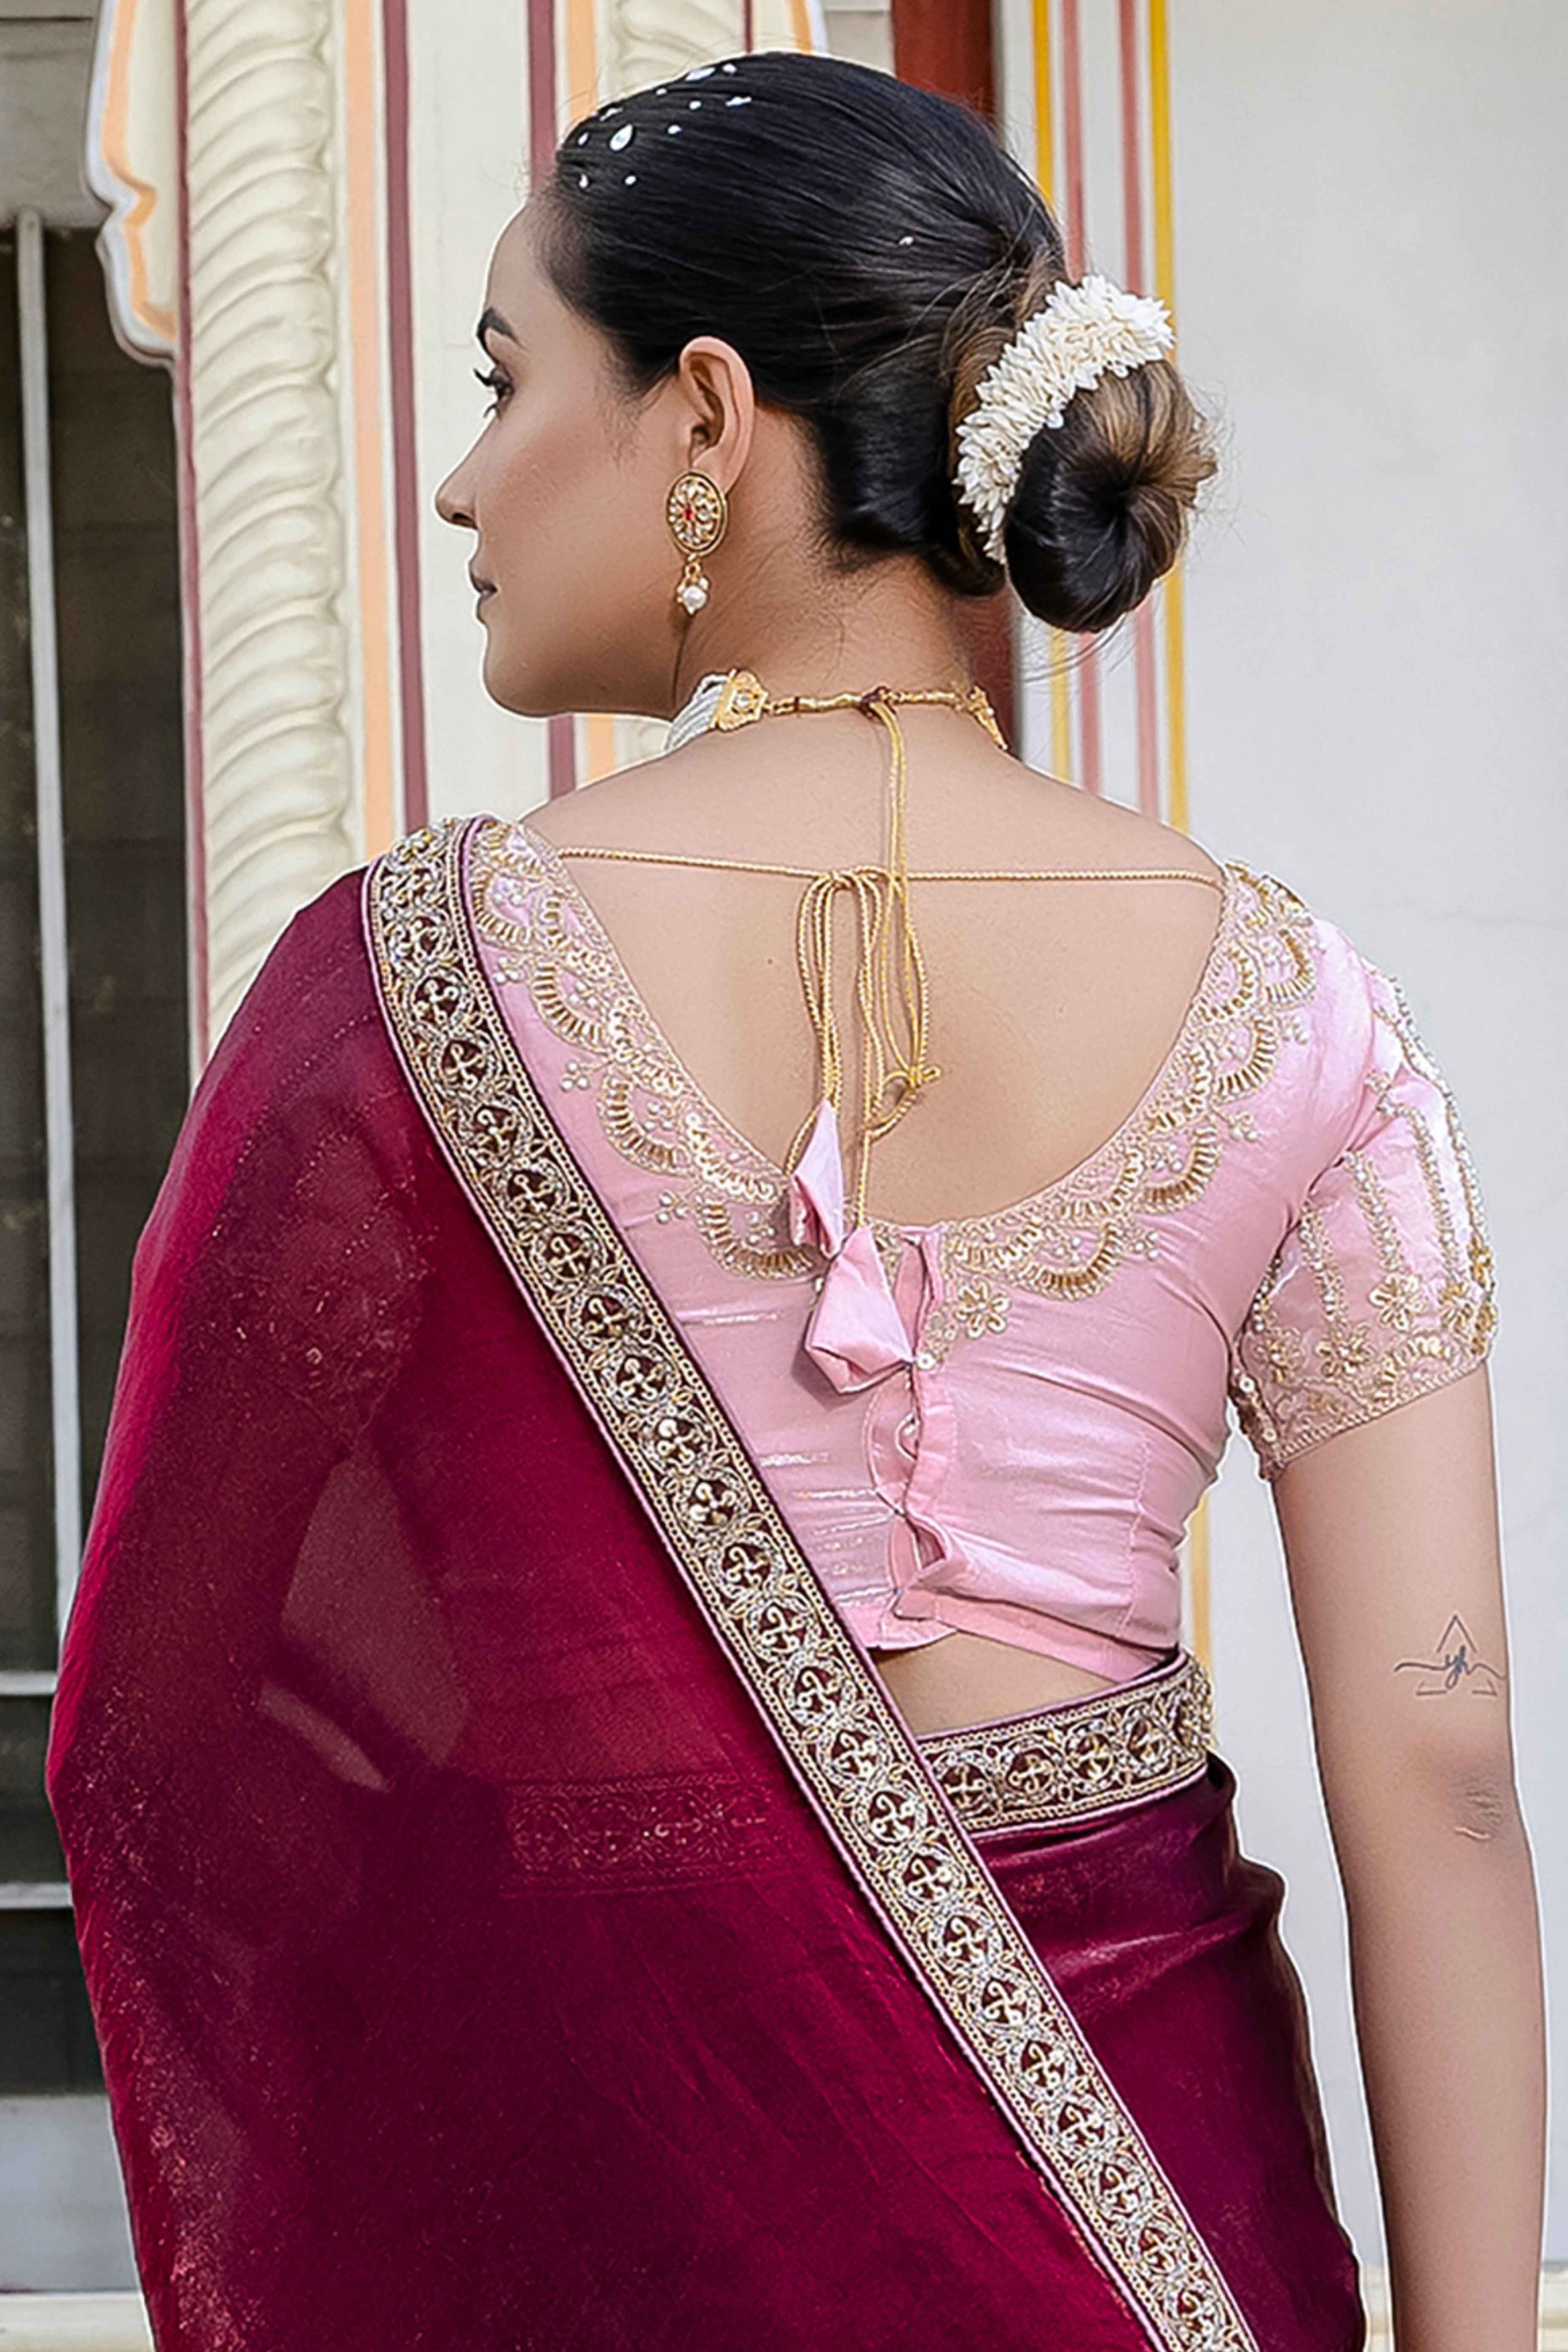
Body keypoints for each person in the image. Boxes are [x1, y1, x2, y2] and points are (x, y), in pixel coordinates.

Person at [46, 48, 1543, 2352]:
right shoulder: (1296, 1010)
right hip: (1154, 2201)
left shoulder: (402, 985)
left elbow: (170, 1726)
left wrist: (562, 1873)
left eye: (501, 377)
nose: (458, 478)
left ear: (705, 417)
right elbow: (1433, 1771)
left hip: (618, 2180)